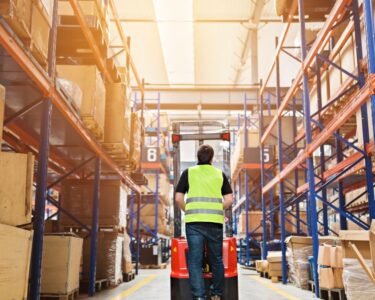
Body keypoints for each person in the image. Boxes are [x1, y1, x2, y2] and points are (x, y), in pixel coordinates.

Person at [175, 144, 234, 300]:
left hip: (194, 223)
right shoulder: (219, 174)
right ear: (212, 158)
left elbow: (178, 198)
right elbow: (229, 199)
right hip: (215, 222)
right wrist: (216, 208)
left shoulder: (188, 173)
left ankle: (199, 296)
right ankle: (216, 294)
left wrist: (186, 210)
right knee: (217, 259)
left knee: (195, 260)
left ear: (197, 157)